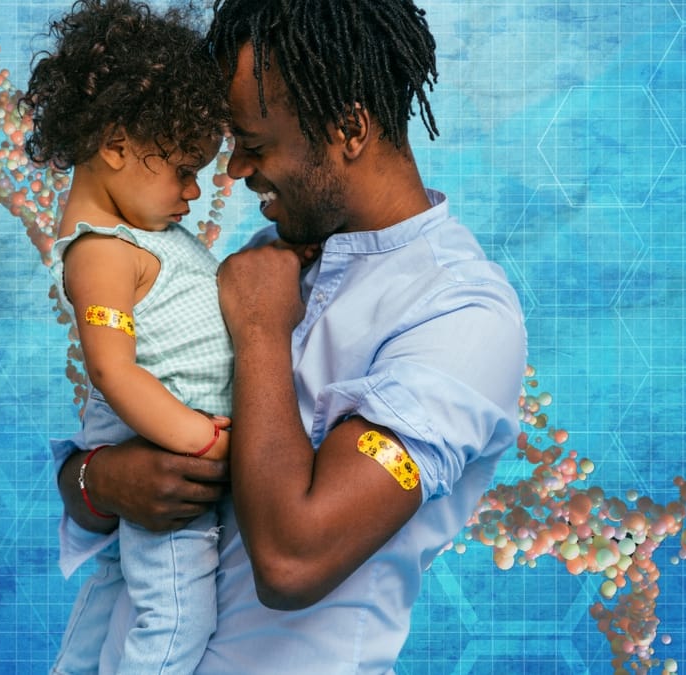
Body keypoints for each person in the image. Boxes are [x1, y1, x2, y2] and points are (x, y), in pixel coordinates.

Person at [54, 0, 528, 672]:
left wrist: (260, 333)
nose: (233, 171)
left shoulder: (462, 317)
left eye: (254, 142)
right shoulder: (264, 259)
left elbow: (291, 557)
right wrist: (105, 481)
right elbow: (90, 467)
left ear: (349, 126)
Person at [20, 1, 236, 673]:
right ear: (115, 146)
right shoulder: (101, 253)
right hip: (169, 453)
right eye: (181, 169)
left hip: (166, 436)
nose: (196, 191)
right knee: (174, 620)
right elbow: (114, 370)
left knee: (116, 594)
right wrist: (198, 437)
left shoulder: (139, 234)